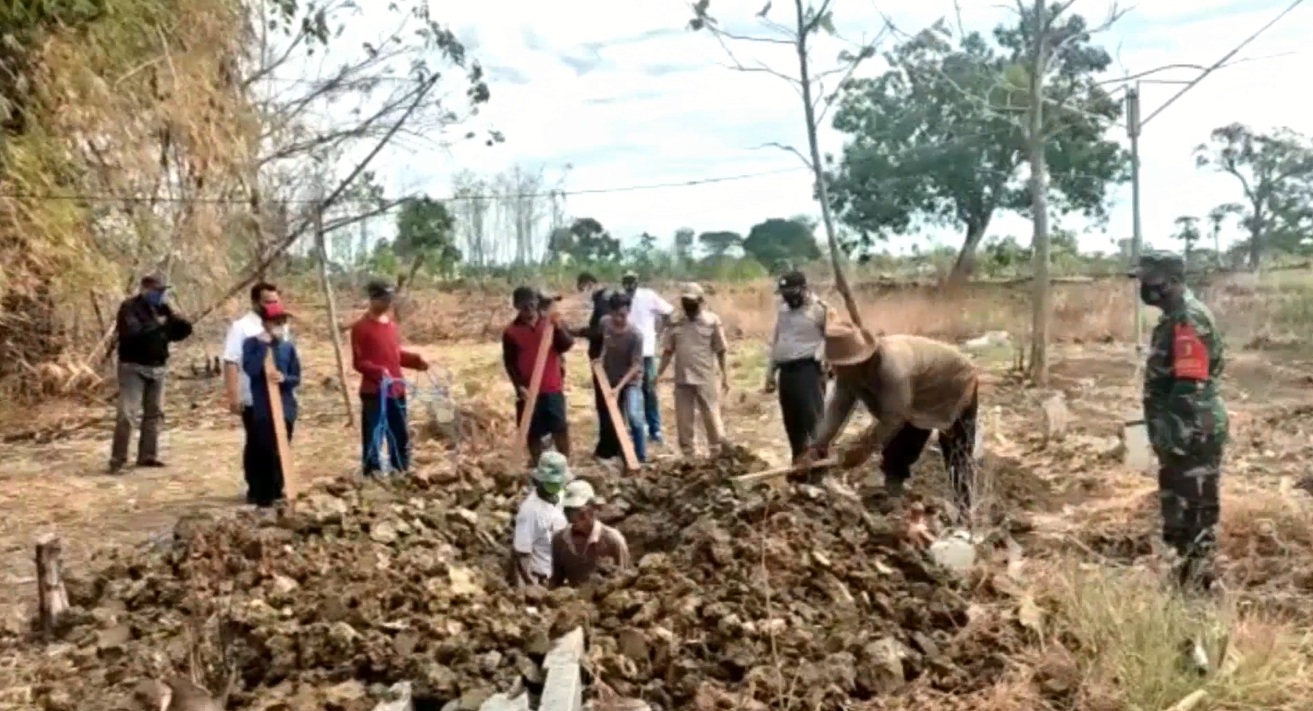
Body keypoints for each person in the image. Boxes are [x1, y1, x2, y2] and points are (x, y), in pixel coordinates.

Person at [798, 322, 980, 517]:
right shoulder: (848, 371)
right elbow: (837, 407)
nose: (833, 369)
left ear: (857, 360)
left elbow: (894, 417)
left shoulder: (892, 370)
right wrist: (817, 446)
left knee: (956, 453)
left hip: (952, 384)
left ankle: (965, 512)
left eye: (838, 364)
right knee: (897, 450)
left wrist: (862, 448)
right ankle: (895, 494)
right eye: (833, 363)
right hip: (915, 394)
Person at [1133, 251, 1227, 593]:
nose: (1143, 287)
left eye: (1149, 280)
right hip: (1178, 434)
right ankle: (1182, 582)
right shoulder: (1173, 317)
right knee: (1178, 514)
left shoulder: (1189, 319)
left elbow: (1190, 384)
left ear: (1170, 281)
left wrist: (1171, 436)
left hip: (1192, 433)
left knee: (1196, 515)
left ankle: (1199, 590)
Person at [109, 273, 193, 474]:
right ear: (145, 289)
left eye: (163, 291)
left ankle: (148, 454)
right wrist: (158, 324)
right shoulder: (129, 308)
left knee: (155, 413)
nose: (160, 295)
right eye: (157, 291)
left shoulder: (163, 309)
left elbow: (176, 333)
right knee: (127, 414)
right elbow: (132, 334)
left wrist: (180, 322)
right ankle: (118, 458)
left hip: (158, 365)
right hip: (133, 366)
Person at [351, 279, 429, 476]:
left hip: (396, 389)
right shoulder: (360, 328)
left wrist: (415, 361)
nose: (388, 303)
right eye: (384, 299)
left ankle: (400, 469)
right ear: (373, 299)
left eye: (390, 299)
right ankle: (372, 471)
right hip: (374, 391)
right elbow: (359, 362)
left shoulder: (391, 326)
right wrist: (378, 372)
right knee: (374, 434)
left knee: (399, 432)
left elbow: (395, 355)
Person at [222, 282, 282, 500]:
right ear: (255, 302)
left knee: (277, 443)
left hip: (278, 395)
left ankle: (276, 487)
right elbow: (231, 361)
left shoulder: (280, 326)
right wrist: (233, 396)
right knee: (258, 443)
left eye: (276, 301)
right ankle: (256, 489)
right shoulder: (242, 327)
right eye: (268, 301)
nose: (272, 305)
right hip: (252, 397)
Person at [656, 283, 730, 457]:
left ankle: (717, 451)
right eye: (685, 301)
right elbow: (668, 351)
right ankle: (689, 454)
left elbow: (721, 350)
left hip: (705, 377)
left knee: (711, 416)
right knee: (684, 420)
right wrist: (657, 374)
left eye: (691, 301)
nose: (688, 305)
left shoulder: (712, 321)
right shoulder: (675, 323)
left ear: (701, 301)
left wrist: (725, 376)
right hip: (682, 379)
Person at [503, 286, 575, 465]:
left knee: (559, 427)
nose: (528, 309)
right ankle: (538, 464)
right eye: (524, 306)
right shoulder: (511, 332)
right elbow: (510, 363)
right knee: (531, 430)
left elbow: (566, 344)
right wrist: (519, 386)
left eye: (531, 304)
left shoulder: (550, 323)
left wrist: (558, 327)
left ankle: (564, 464)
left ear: (537, 304)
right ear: (516, 306)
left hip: (551, 386)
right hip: (528, 390)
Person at [239, 303, 301, 507]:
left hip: (286, 407)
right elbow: (251, 370)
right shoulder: (251, 344)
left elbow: (296, 376)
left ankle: (279, 491)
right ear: (266, 323)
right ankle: (264, 496)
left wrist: (284, 378)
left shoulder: (288, 347)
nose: (281, 326)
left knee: (281, 450)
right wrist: (263, 347)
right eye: (276, 322)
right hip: (263, 409)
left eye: (283, 322)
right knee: (264, 451)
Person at [763, 271, 829, 459]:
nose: (787, 296)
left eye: (791, 291)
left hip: (807, 371)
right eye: (784, 292)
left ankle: (821, 468)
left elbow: (832, 338)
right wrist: (770, 372)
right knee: (792, 423)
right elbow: (778, 340)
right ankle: (799, 466)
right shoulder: (783, 311)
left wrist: (825, 362)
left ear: (804, 289)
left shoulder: (819, 310)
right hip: (786, 373)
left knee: (813, 421)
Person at [621, 270, 675, 445]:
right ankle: (636, 428)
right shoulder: (620, 299)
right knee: (629, 390)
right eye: (626, 282)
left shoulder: (648, 296)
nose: (629, 285)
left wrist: (659, 333)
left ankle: (655, 428)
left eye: (632, 281)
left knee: (649, 390)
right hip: (626, 353)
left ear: (637, 282)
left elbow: (668, 312)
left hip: (646, 351)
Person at [574, 272, 622, 460]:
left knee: (606, 404)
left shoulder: (603, 301)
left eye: (582, 288)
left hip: (604, 362)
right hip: (606, 360)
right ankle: (610, 445)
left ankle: (608, 447)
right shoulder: (605, 300)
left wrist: (578, 331)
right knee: (609, 404)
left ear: (589, 284)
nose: (582, 293)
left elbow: (600, 332)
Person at [550, 480, 631, 588]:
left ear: (592, 509)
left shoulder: (613, 541)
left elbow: (625, 582)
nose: (573, 518)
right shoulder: (559, 541)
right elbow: (556, 583)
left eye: (579, 512)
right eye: (568, 512)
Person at [599, 291, 646, 465]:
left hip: (631, 380)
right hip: (610, 379)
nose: (621, 319)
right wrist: (601, 358)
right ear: (610, 312)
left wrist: (619, 388)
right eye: (617, 315)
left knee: (634, 415)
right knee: (616, 417)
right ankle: (622, 453)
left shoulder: (635, 335)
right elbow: (606, 342)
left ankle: (640, 456)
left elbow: (636, 366)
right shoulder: (605, 324)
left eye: (624, 315)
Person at [512, 452, 571, 587]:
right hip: (544, 579)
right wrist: (533, 587)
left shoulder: (560, 496)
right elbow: (522, 555)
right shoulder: (529, 511)